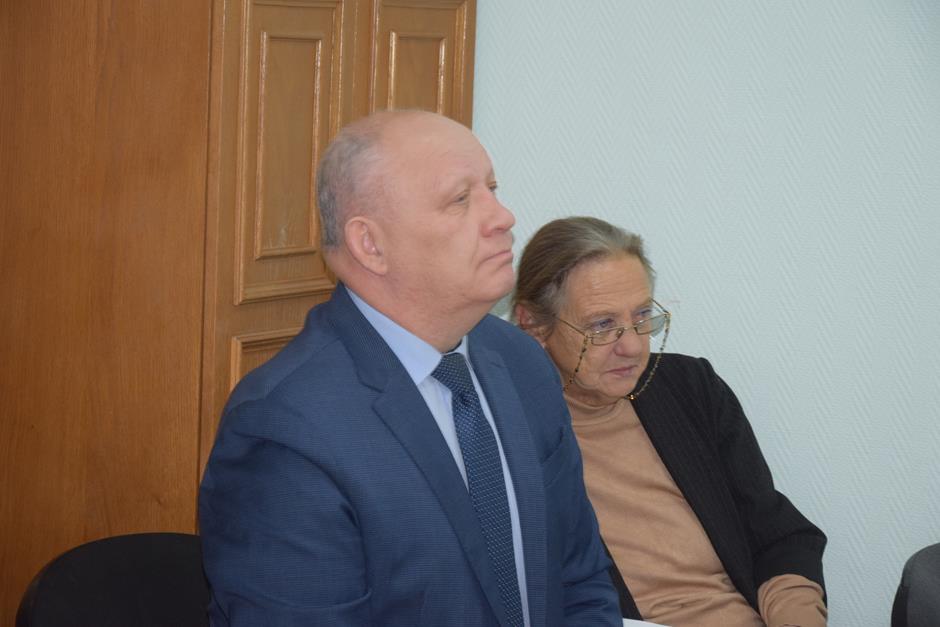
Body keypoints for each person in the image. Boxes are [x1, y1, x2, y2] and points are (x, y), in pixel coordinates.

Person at [198, 112, 621, 627]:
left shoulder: (522, 360)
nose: (503, 216)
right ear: (371, 245)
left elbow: (581, 581)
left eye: (491, 189)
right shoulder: (287, 431)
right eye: (460, 199)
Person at [513, 216, 828, 627]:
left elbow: (778, 535)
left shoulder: (688, 389)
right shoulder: (507, 434)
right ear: (534, 326)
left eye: (643, 316)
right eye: (602, 325)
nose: (632, 346)